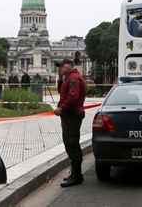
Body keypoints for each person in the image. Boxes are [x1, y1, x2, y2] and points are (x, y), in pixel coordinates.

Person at [53, 58, 87, 187]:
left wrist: (62, 109)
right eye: (59, 66)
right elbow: (62, 92)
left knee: (71, 143)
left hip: (71, 115)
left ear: (69, 65)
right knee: (70, 143)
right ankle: (76, 173)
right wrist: (60, 77)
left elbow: (73, 96)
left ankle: (76, 175)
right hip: (69, 115)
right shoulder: (69, 78)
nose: (60, 68)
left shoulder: (74, 78)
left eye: (62, 66)